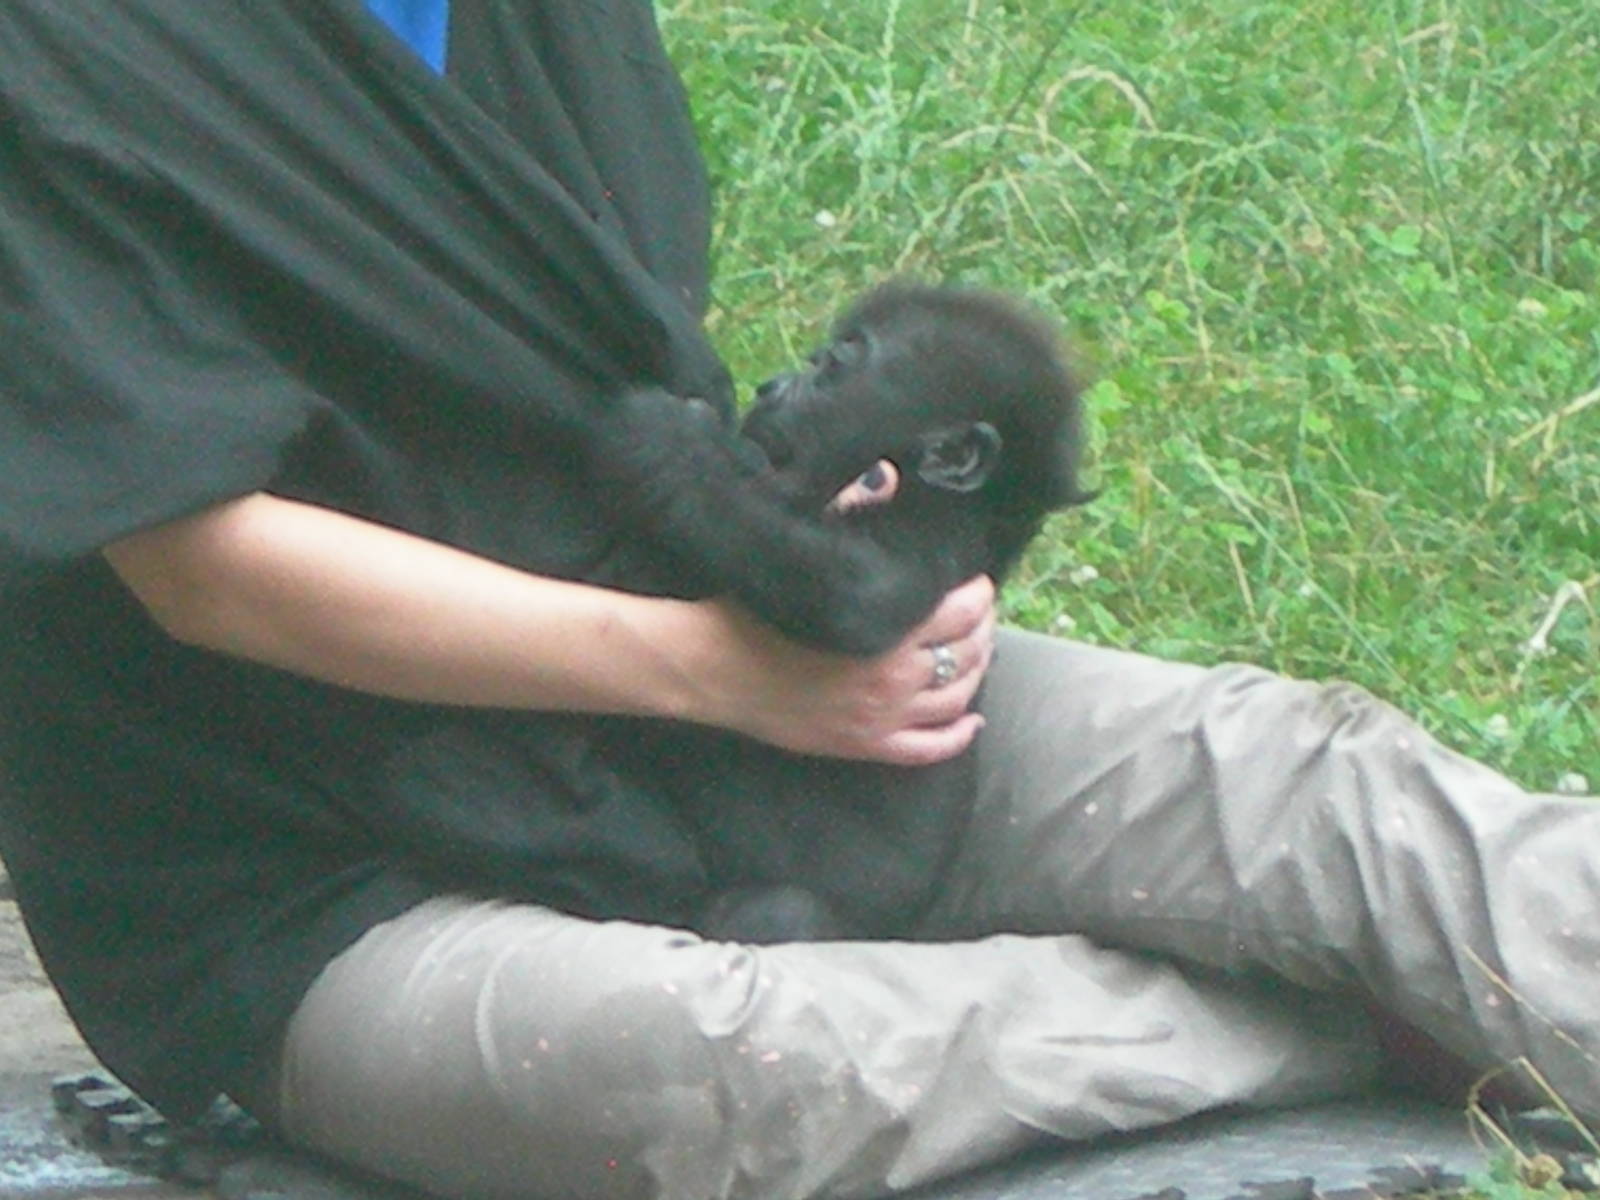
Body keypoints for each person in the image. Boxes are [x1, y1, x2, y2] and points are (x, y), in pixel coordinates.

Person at [0, 3, 1594, 1199]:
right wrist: (713, 669)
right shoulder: (57, 52)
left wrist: (839, 582)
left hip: (741, 724)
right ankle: (1326, 1022)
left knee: (1304, 782)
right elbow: (203, 564)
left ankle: (1466, 973)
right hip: (315, 876)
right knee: (745, 1071)